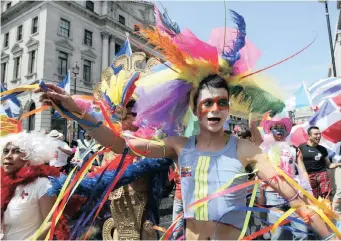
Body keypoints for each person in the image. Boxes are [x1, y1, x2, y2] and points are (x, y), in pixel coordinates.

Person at [36, 9, 338, 240]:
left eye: (222, 102)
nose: (215, 109)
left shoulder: (246, 150)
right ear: (195, 109)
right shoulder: (179, 147)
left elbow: (296, 198)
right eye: (207, 103)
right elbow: (118, 143)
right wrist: (76, 111)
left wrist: (328, 234)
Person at [0, 132, 67, 240]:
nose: (8, 156)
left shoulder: (42, 184)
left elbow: (52, 222)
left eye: (17, 151)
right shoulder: (3, 184)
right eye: (6, 151)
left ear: (29, 156)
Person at [260, 116, 311, 240]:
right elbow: (260, 172)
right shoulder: (264, 149)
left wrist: (309, 192)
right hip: (273, 194)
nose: (278, 130)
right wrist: (261, 194)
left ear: (286, 130)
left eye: (281, 127)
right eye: (275, 128)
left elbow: (303, 171)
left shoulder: (294, 149)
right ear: (270, 131)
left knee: (302, 233)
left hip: (294, 193)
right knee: (278, 234)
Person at [299, 126, 341, 199]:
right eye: (316, 134)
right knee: (312, 198)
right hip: (309, 176)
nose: (318, 136)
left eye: (319, 134)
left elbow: (329, 165)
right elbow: (299, 164)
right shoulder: (301, 148)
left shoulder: (323, 149)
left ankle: (326, 210)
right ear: (309, 136)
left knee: (325, 198)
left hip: (322, 175)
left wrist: (338, 164)